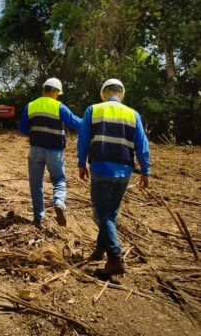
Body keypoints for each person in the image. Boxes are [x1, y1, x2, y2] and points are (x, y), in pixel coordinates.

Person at [77, 79, 150, 276]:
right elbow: (142, 146)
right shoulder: (133, 114)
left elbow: (83, 140)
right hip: (124, 172)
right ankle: (100, 250)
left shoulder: (93, 110)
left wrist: (81, 163)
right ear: (122, 94)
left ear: (104, 94)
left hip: (101, 169)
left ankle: (115, 257)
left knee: (101, 214)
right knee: (111, 213)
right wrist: (145, 171)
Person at [18, 78, 82, 228]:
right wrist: (91, 120)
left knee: (36, 185)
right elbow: (76, 123)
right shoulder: (59, 107)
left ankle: (38, 218)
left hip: (35, 150)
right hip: (55, 151)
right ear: (56, 92)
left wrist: (36, 133)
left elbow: (22, 130)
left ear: (44, 89)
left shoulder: (31, 106)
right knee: (59, 180)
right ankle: (59, 202)